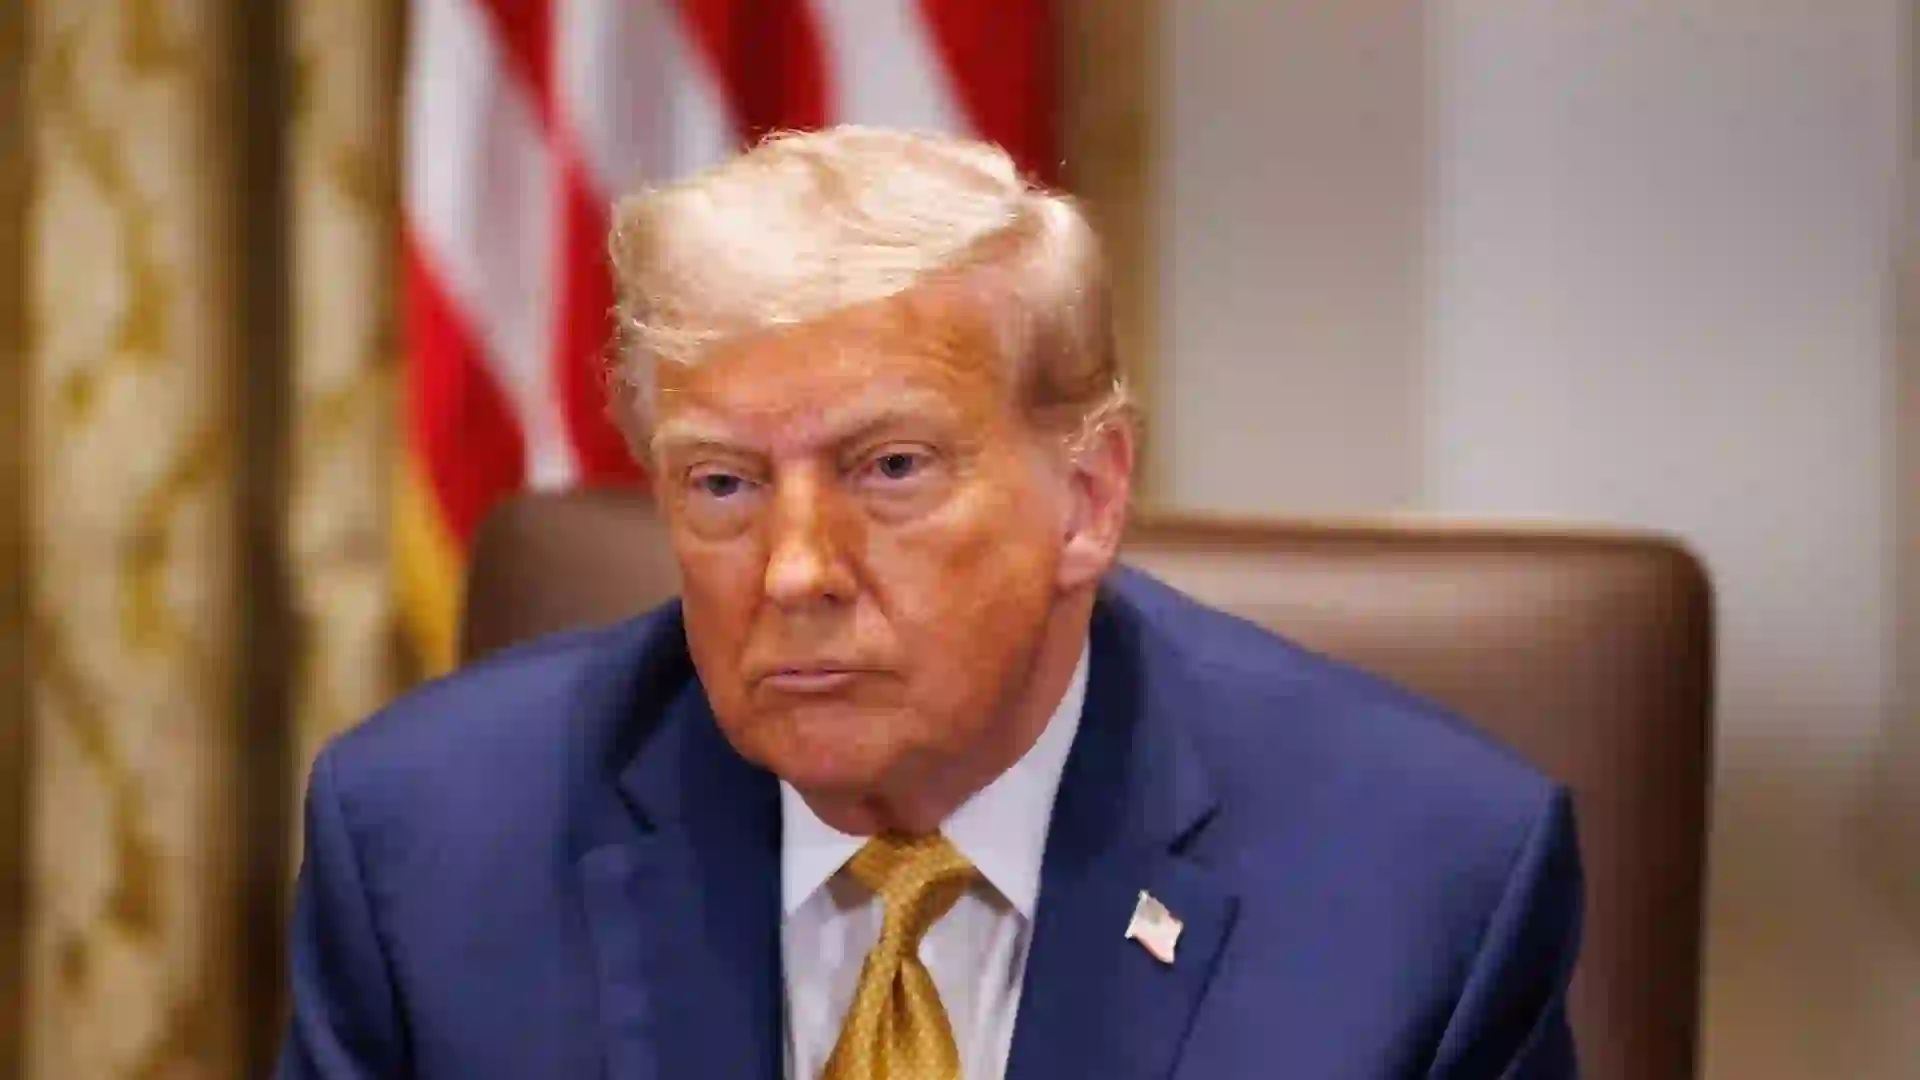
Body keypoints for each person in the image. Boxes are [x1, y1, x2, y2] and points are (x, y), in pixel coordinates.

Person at [275, 126, 1582, 1080]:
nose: (794, 570)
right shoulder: (427, 854)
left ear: (1087, 495)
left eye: (888, 469)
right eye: (723, 484)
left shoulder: (1423, 890)